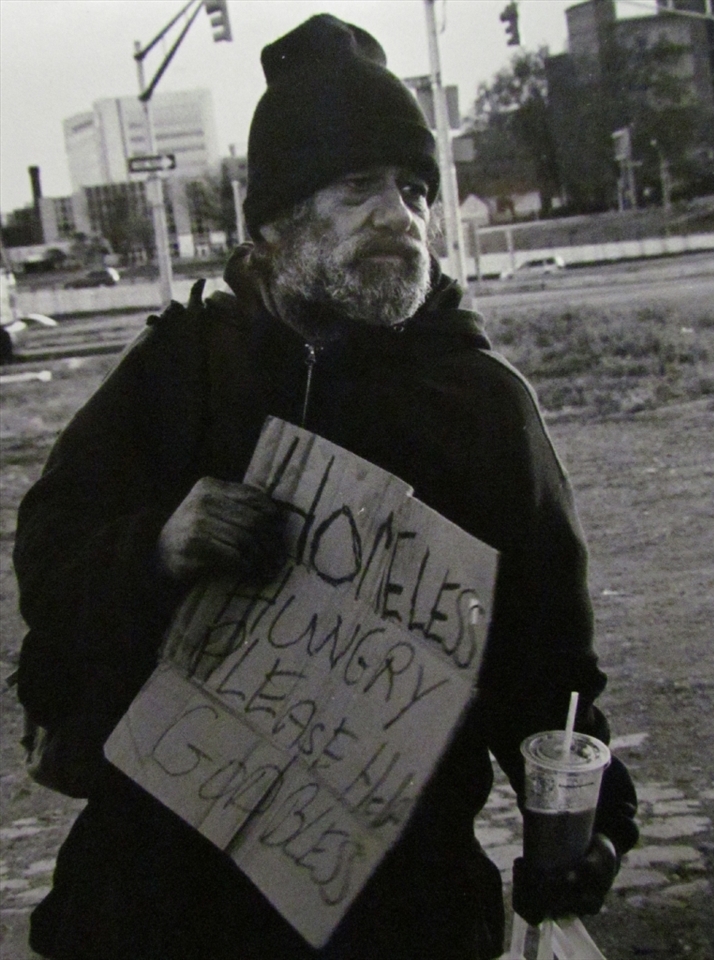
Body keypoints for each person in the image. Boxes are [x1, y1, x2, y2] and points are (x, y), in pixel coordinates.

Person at [14, 14, 638, 960]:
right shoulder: (179, 370)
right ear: (274, 222)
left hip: (396, 911)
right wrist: (156, 544)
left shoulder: (482, 407)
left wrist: (593, 822)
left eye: (415, 191)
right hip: (153, 898)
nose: (400, 215)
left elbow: (546, 670)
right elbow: (47, 555)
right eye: (359, 188)